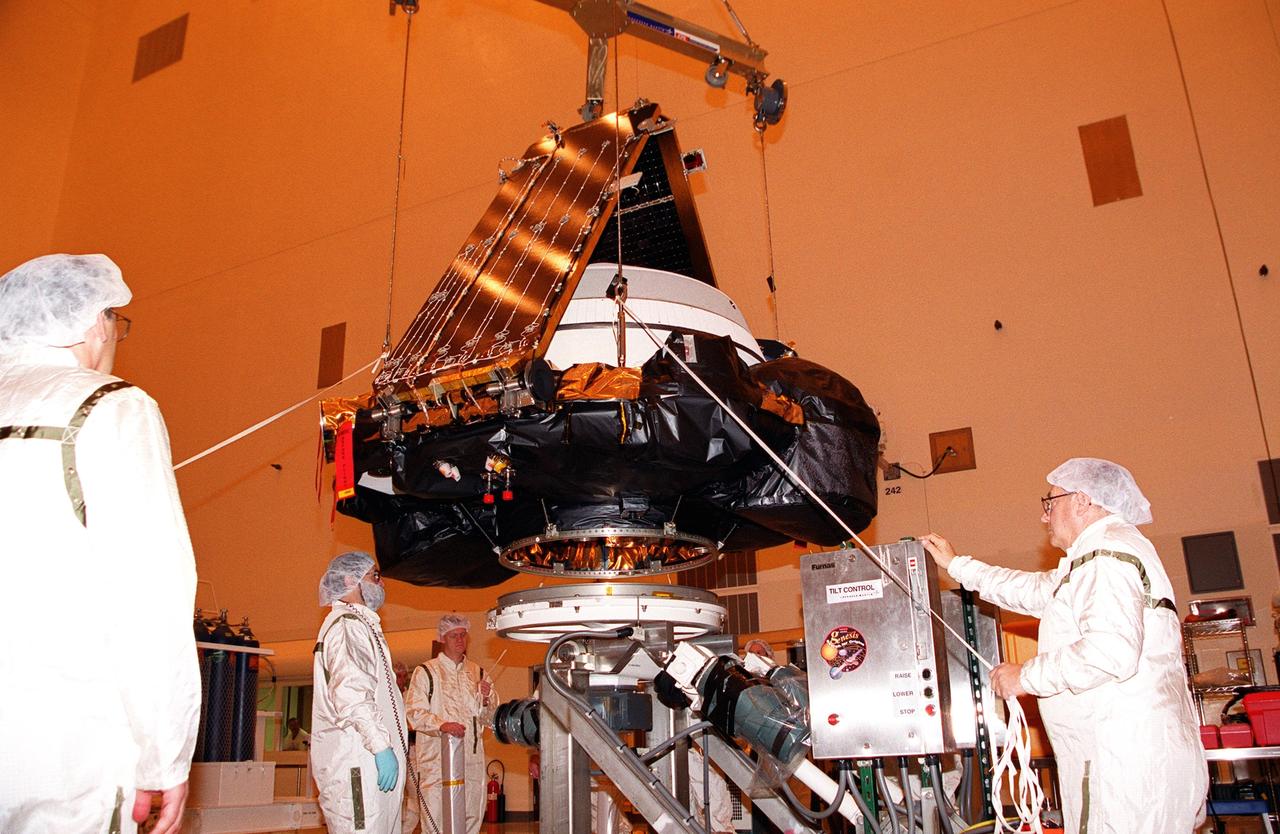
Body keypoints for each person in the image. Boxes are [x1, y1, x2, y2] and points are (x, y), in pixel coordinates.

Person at [0, 254, 200, 834]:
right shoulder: (110, 406)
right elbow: (148, 594)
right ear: (93, 322)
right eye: (116, 321)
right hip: (68, 747)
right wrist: (164, 752)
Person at [921, 458, 1207, 834]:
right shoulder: (1100, 556)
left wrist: (1026, 676)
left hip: (1119, 768)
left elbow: (1111, 652)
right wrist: (957, 565)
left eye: (1050, 501)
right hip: (1137, 761)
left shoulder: (1106, 556)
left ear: (1083, 500)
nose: (1045, 516)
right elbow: (1035, 590)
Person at [312, 552, 406, 834]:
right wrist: (380, 747)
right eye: (375, 576)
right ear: (351, 580)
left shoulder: (361, 626)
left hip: (367, 764)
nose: (382, 583)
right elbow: (352, 695)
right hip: (357, 762)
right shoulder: (347, 627)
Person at [405, 614, 498, 834]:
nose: (459, 639)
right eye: (454, 635)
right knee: (436, 819)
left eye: (463, 635)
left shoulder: (479, 673)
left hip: (471, 762)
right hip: (437, 762)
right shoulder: (426, 672)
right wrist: (441, 725)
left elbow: (491, 718)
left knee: (471, 816)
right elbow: (413, 712)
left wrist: (486, 699)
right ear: (442, 638)